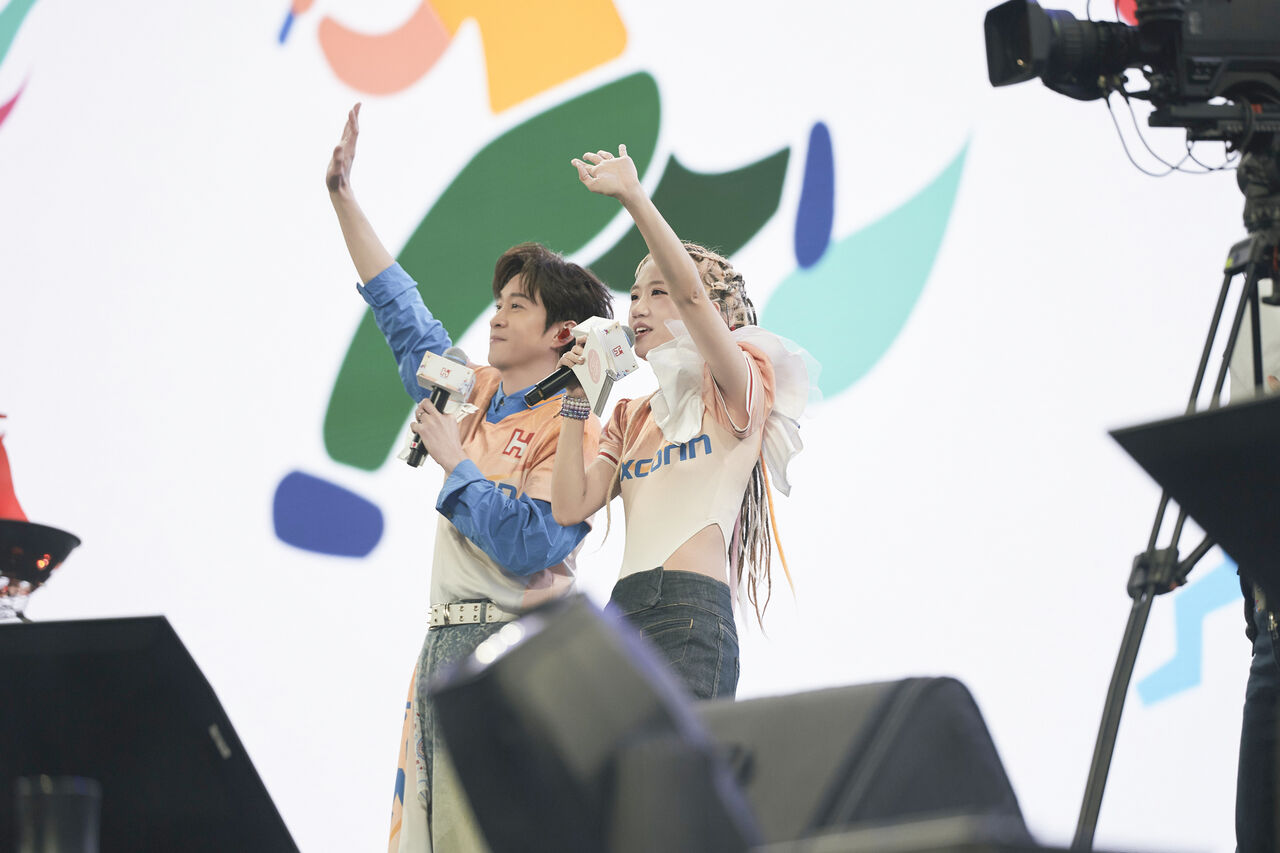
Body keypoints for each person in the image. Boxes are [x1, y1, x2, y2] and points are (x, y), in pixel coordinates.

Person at [325, 104, 615, 852]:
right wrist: (344, 198)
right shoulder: (472, 389)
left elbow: (532, 544)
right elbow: (404, 317)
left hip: (516, 653)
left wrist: (457, 463)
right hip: (441, 646)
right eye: (497, 303)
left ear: (563, 334)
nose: (496, 317)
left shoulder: (575, 425)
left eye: (518, 306)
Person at [549, 144, 815, 700]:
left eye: (657, 292)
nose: (638, 308)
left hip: (690, 615)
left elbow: (693, 297)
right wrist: (576, 400)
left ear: (713, 310)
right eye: (634, 295)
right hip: (620, 619)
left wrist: (634, 197)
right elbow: (570, 506)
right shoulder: (631, 414)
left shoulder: (739, 383)